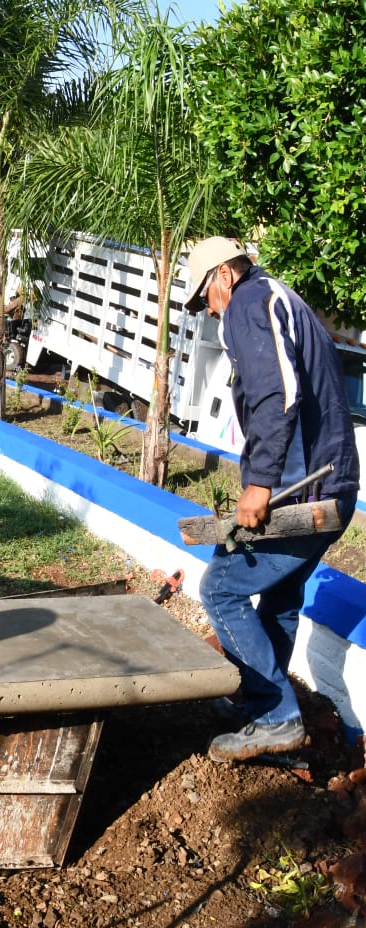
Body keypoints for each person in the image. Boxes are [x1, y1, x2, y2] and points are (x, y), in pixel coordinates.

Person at [184, 236, 360, 763]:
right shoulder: (280, 298)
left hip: (304, 493)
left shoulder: (249, 303)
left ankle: (277, 716)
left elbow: (274, 394)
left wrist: (258, 484)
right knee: (280, 599)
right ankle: (262, 710)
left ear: (224, 276)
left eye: (205, 298)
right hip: (329, 487)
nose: (208, 310)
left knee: (220, 587)